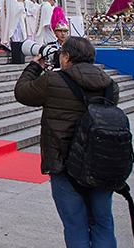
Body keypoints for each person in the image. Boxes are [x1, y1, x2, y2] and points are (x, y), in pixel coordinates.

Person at [15, 35, 120, 247]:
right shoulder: (110, 85)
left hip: (65, 162)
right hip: (101, 161)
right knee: (103, 222)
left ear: (67, 56)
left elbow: (22, 92)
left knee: (75, 225)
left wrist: (36, 66)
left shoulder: (53, 81)